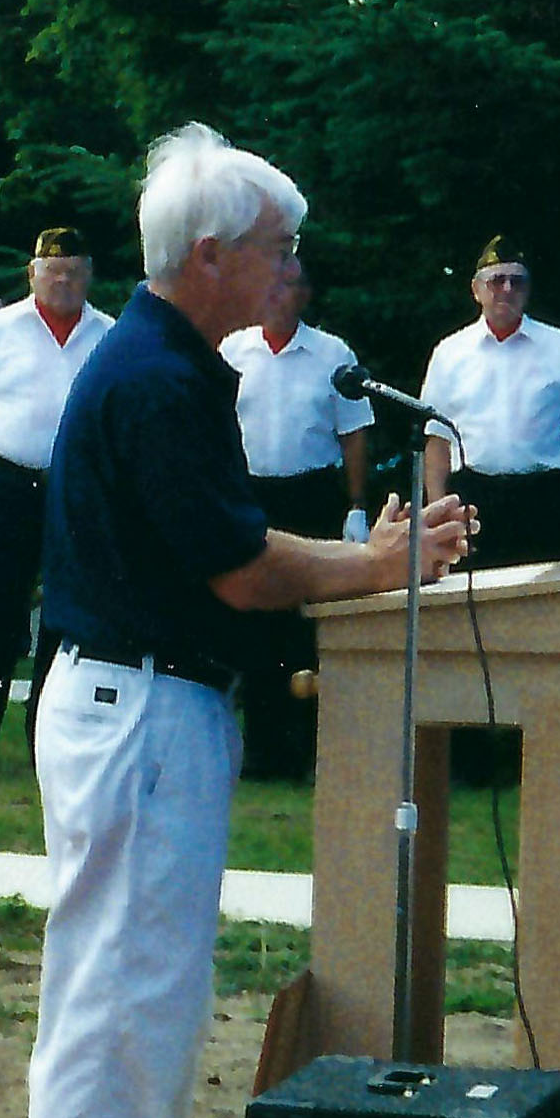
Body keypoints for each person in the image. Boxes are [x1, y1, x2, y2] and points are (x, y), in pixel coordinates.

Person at [24, 122, 473, 1118]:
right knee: (123, 1020)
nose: (292, 269)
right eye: (280, 247)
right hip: (139, 712)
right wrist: (374, 565)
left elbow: (231, 541)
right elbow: (241, 567)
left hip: (143, 708)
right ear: (211, 253)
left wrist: (363, 561)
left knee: (128, 1012)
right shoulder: (162, 380)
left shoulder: (163, 365)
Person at [0, 228, 117, 776]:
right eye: (52, 272)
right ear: (32, 274)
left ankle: (49, 740)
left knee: (67, 614)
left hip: (80, 488)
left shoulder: (109, 335)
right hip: (10, 483)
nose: (63, 282)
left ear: (89, 276)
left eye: (74, 272)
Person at [216, 269, 374, 780]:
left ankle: (309, 752)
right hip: (251, 495)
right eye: (274, 287)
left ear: (306, 295)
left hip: (311, 495)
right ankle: (261, 753)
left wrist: (355, 506)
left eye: (293, 288)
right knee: (257, 624)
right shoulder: (233, 350)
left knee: (307, 627)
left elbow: (353, 434)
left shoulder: (333, 354)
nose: (282, 297)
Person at [419, 237, 560, 566]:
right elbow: (436, 440)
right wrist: (440, 510)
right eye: (497, 280)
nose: (507, 289)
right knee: (476, 606)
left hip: (543, 498)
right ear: (476, 290)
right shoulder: (449, 353)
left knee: (545, 607)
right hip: (474, 499)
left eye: (517, 281)